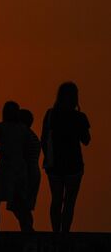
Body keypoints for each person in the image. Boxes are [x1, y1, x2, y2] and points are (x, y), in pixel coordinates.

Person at [42, 82, 91, 233]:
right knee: (69, 202)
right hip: (74, 164)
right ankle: (65, 233)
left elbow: (43, 138)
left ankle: (56, 232)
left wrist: (48, 157)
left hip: (54, 164)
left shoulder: (50, 114)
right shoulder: (80, 116)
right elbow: (86, 140)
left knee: (56, 200)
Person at [0, 101, 32, 232]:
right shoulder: (19, 129)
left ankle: (23, 229)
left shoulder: (4, 127)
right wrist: (0, 150)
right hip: (13, 167)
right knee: (7, 202)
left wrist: (0, 150)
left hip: (9, 167)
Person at [19, 108, 41, 231]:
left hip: (26, 173)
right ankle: (27, 229)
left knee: (20, 205)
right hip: (34, 172)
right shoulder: (33, 136)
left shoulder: (24, 136)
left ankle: (27, 229)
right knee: (25, 207)